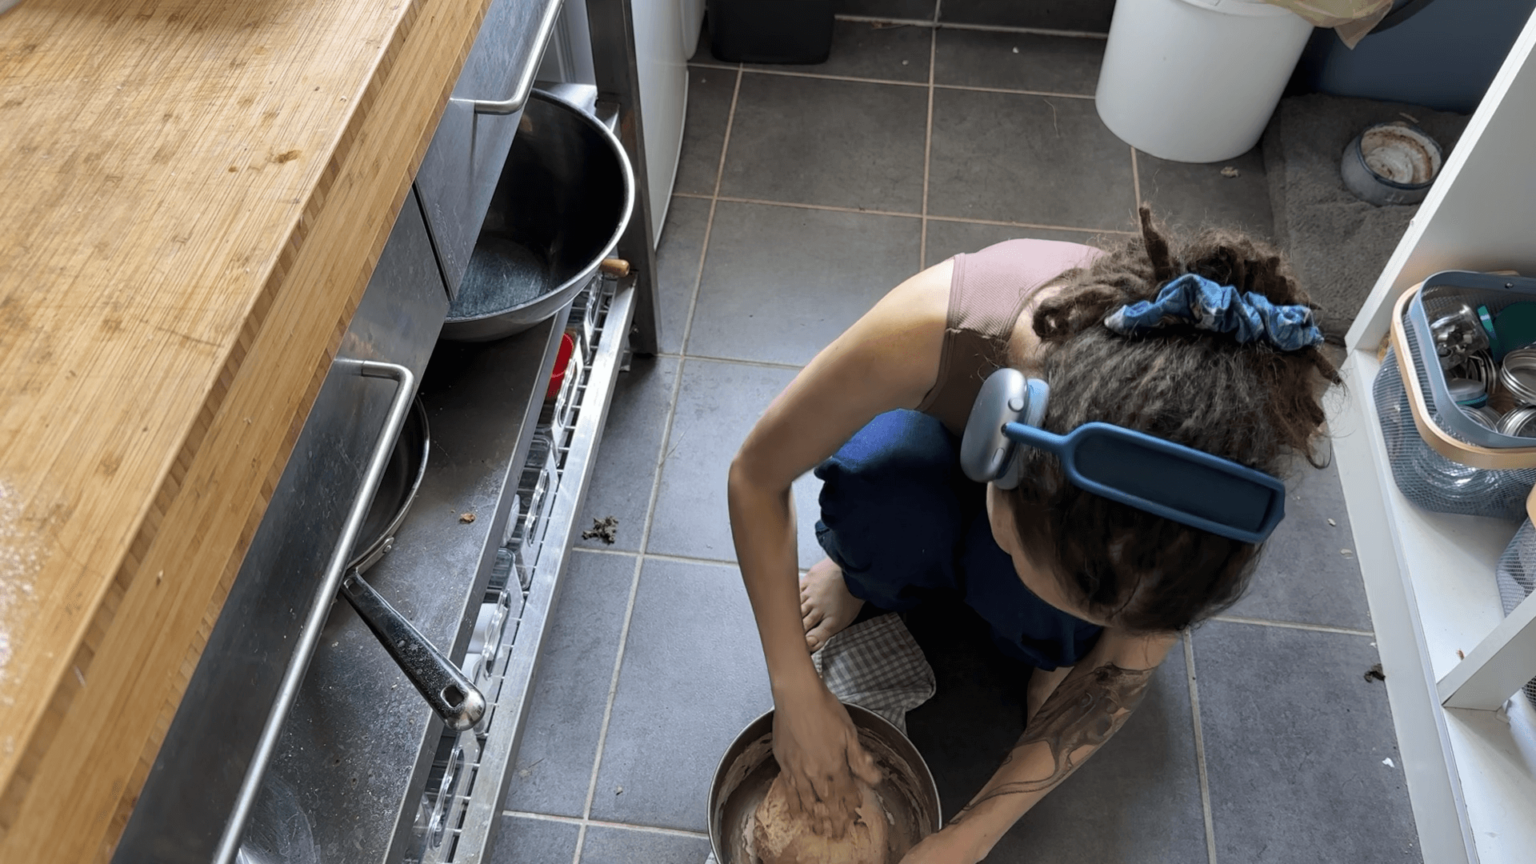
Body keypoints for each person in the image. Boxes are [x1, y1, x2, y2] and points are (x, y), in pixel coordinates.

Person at [726, 207, 1339, 862]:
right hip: (939, 447)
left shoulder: (1198, 512)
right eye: (1073, 593)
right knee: (881, 499)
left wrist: (970, 836)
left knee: (1053, 621)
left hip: (1055, 515)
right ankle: (863, 574)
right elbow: (755, 476)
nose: (1118, 625)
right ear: (1000, 459)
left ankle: (1051, 649)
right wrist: (793, 686)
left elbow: (1122, 666)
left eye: (1107, 613)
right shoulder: (933, 327)